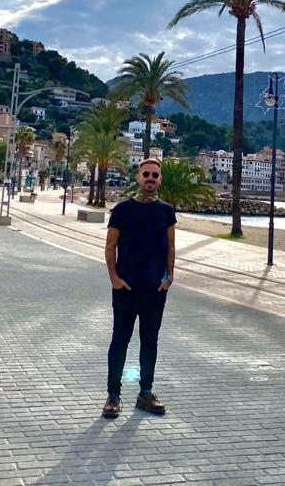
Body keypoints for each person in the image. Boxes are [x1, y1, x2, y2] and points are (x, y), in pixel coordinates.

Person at [102, 158, 175, 418]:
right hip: (125, 288)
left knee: (150, 342)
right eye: (146, 174)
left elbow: (170, 246)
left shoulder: (166, 211)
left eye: (155, 175)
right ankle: (113, 395)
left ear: (160, 180)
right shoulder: (122, 210)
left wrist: (169, 278)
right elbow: (110, 246)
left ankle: (145, 393)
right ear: (138, 178)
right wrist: (114, 277)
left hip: (155, 291)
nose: (151, 178)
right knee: (120, 340)